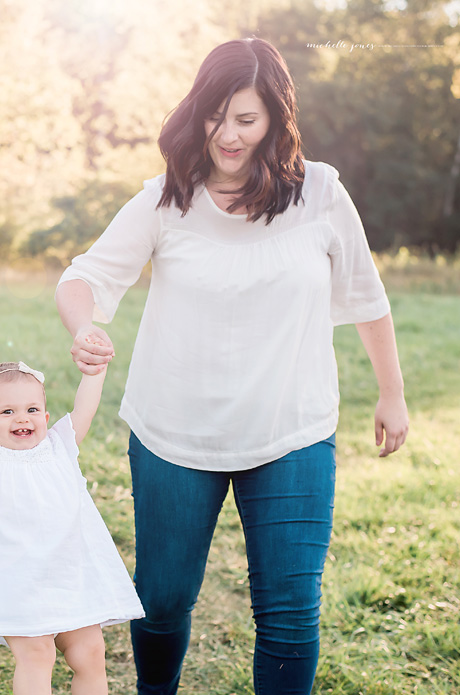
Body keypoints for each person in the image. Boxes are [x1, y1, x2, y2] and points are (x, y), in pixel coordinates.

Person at [55, 38, 409, 695]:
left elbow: (367, 296)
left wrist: (393, 393)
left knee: (289, 611)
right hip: (174, 433)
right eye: (216, 116)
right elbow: (83, 279)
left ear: (276, 118)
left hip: (292, 429)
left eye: (246, 119)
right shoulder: (166, 198)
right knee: (161, 601)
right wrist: (85, 326)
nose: (229, 134)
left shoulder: (321, 193)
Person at [0, 327, 144, 695]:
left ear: (46, 414)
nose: (22, 418)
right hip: (16, 582)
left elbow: (85, 407)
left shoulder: (60, 445)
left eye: (32, 409)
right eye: (7, 411)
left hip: (70, 574)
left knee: (90, 653)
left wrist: (95, 371)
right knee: (38, 654)